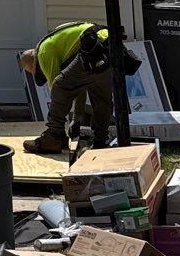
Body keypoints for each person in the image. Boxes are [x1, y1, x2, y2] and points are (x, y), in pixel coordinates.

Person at [19, 21, 114, 157]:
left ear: (35, 65)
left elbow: (59, 90)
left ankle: (53, 137)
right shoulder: (56, 41)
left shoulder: (43, 52)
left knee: (59, 86)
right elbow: (78, 85)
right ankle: (100, 142)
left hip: (92, 47)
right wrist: (77, 117)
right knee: (102, 99)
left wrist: (71, 120)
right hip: (110, 46)